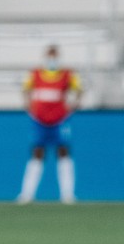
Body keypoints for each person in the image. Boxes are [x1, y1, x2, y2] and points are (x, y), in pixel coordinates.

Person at [17, 44, 83, 204]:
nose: (52, 59)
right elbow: (25, 89)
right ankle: (27, 194)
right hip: (39, 120)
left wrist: (74, 104)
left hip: (60, 120)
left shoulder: (67, 74)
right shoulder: (35, 74)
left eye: (54, 55)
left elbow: (79, 89)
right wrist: (28, 105)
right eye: (50, 55)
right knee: (37, 152)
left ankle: (67, 195)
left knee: (63, 152)